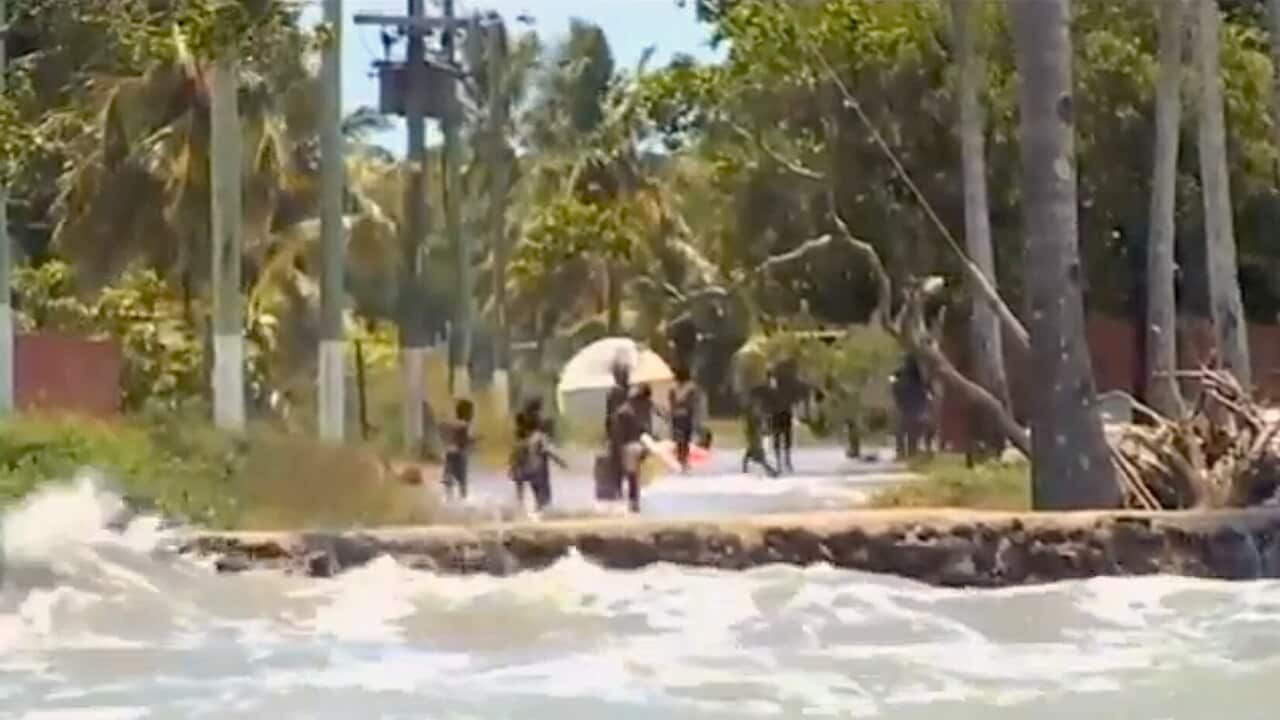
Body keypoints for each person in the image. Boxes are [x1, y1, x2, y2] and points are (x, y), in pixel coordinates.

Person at [611, 385, 654, 512]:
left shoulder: (625, 411)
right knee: (633, 475)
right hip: (634, 445)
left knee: (632, 475)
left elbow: (618, 433)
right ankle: (633, 500)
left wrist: (617, 448)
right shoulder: (633, 411)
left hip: (630, 446)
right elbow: (643, 430)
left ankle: (632, 501)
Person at [891, 353, 932, 459]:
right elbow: (929, 389)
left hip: (908, 406)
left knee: (903, 431)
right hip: (914, 406)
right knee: (910, 432)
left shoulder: (899, 373)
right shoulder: (920, 375)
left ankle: (903, 452)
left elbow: (893, 384)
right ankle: (909, 452)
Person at [440, 398, 476, 501]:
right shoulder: (464, 425)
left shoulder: (452, 423)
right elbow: (464, 440)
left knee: (448, 477)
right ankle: (462, 499)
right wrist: (473, 441)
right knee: (462, 480)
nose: (472, 415)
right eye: (471, 412)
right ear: (467, 413)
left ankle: (449, 498)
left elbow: (443, 428)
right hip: (460, 454)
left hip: (449, 452)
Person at [668, 365, 701, 472]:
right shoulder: (692, 387)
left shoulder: (673, 387)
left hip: (677, 415)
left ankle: (681, 459)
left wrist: (675, 407)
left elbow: (671, 402)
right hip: (686, 415)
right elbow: (692, 403)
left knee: (680, 439)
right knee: (685, 439)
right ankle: (684, 460)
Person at [742, 384, 778, 477]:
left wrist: (767, 431)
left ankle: (745, 469)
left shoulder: (754, 412)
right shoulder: (753, 413)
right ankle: (771, 472)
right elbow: (756, 426)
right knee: (758, 455)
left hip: (755, 436)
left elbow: (760, 425)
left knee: (752, 453)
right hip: (755, 437)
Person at [763, 370, 796, 474]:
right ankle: (781, 462)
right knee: (779, 439)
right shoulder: (769, 390)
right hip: (778, 415)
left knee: (785, 438)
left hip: (783, 415)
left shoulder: (782, 388)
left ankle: (786, 461)